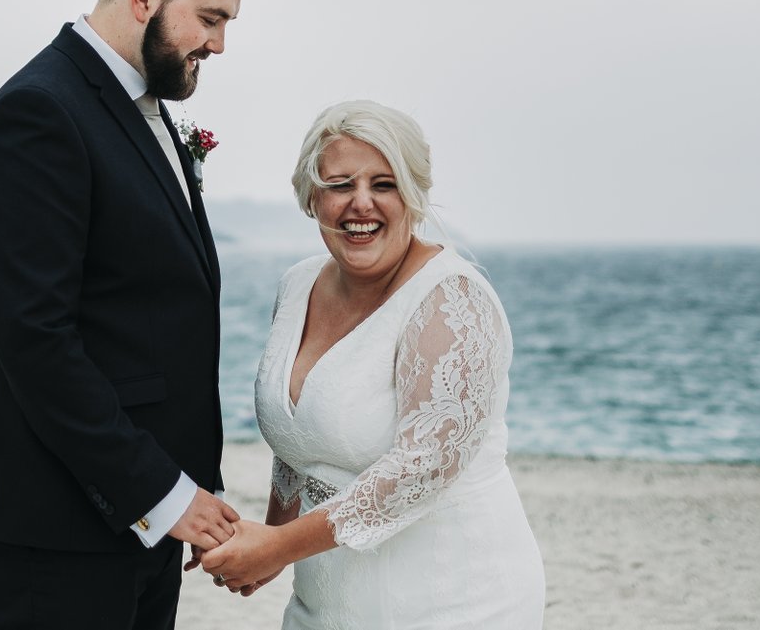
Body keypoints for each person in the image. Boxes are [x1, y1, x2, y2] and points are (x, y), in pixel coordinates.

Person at [0, 0, 258, 629]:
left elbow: (142, 313)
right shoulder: (40, 112)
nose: (218, 44)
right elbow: (36, 339)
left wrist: (180, 492)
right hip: (51, 528)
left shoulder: (136, 104)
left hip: (131, 522)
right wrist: (166, 494)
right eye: (210, 18)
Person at [199, 101, 546, 628]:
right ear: (312, 197)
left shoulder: (451, 299)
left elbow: (420, 470)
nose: (361, 204)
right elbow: (300, 438)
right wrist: (267, 540)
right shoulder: (298, 285)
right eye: (340, 184)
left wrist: (277, 547)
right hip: (323, 604)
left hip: (451, 602)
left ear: (413, 194)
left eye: (383, 184)